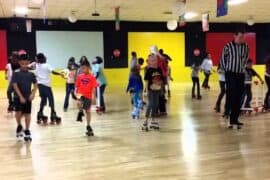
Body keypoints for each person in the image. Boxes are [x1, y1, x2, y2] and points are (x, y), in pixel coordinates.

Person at [220, 30, 249, 129]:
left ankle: (234, 119)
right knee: (232, 94)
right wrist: (225, 72)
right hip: (230, 73)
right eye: (240, 37)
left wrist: (242, 67)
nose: (242, 39)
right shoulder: (228, 46)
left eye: (243, 37)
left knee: (240, 96)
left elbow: (246, 58)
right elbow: (223, 59)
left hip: (240, 74)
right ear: (234, 36)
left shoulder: (245, 46)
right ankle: (227, 113)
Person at [30, 53, 63, 124]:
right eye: (44, 57)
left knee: (43, 99)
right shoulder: (47, 65)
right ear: (42, 58)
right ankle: (53, 114)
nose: (45, 58)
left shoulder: (36, 65)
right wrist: (60, 74)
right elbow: (53, 72)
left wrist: (35, 63)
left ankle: (40, 113)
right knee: (51, 99)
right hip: (46, 86)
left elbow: (29, 67)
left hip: (40, 85)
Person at [12, 51, 38, 142]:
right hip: (17, 97)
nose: (24, 65)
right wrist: (20, 96)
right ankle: (19, 126)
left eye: (26, 63)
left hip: (28, 97)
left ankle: (27, 130)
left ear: (28, 62)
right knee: (18, 112)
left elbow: (35, 84)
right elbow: (14, 85)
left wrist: (33, 93)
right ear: (19, 63)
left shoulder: (31, 73)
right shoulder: (16, 72)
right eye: (22, 63)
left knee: (27, 113)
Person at [75, 59, 98, 136]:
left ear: (88, 68)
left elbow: (94, 88)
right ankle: (80, 112)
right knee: (78, 103)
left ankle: (88, 125)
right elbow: (77, 86)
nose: (82, 70)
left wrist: (94, 97)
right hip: (80, 94)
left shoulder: (92, 77)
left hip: (88, 96)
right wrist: (76, 94)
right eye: (81, 68)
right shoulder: (79, 76)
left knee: (88, 111)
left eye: (84, 68)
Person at [143, 54, 164, 131]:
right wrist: (146, 91)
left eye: (155, 60)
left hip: (157, 90)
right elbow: (146, 81)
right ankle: (145, 121)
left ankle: (153, 121)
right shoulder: (149, 70)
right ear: (149, 62)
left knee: (156, 105)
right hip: (151, 90)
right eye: (152, 60)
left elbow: (161, 80)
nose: (154, 62)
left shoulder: (159, 69)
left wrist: (161, 88)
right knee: (150, 105)